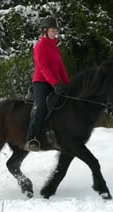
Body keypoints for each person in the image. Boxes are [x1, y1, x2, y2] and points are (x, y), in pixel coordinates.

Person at [25, 16, 70, 152]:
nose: (55, 32)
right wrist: (55, 83)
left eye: (56, 30)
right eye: (52, 30)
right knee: (42, 107)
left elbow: (61, 68)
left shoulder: (55, 48)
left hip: (54, 82)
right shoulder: (40, 47)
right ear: (45, 30)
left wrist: (68, 85)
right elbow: (43, 67)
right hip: (41, 82)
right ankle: (30, 139)